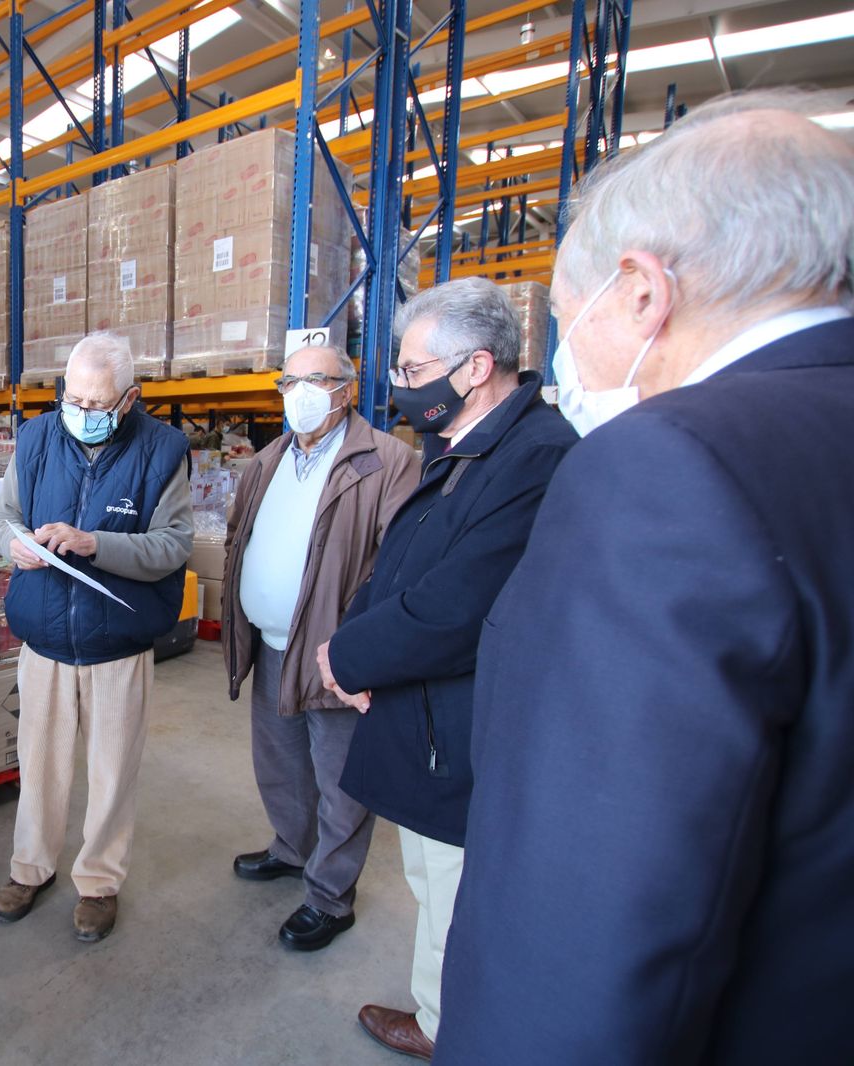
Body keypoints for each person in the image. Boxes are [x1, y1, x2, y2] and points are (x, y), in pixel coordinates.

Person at [437, 91, 854, 1065]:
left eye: (557, 317)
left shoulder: (668, 466)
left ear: (639, 291)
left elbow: (585, 918)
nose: (559, 357)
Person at [314, 278, 576, 1060]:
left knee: (464, 891)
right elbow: (400, 566)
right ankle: (437, 1016)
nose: (400, 383)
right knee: (434, 881)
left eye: (412, 367)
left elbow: (458, 607)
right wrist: (353, 636)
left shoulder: (537, 457)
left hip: (470, 726)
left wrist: (347, 653)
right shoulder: (462, 445)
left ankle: (458, 1029)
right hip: (423, 712)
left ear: (476, 366)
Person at [0, 331, 192, 942]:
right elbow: (0, 518)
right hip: (44, 639)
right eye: (71, 399)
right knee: (39, 764)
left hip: (118, 646)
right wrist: (14, 545)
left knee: (111, 771)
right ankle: (31, 868)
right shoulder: (35, 439)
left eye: (97, 405)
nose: (81, 413)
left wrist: (94, 544)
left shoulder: (163, 450)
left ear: (128, 400)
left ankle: (99, 883)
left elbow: (174, 545)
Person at [221, 345, 417, 951]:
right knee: (280, 766)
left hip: (336, 655)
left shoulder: (387, 461)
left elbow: (398, 568)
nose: (300, 392)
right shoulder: (267, 461)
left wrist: (360, 651)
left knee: (341, 782)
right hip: (271, 646)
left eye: (316, 380)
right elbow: (240, 538)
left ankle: (331, 898)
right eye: (290, 381)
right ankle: (291, 847)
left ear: (347, 390)